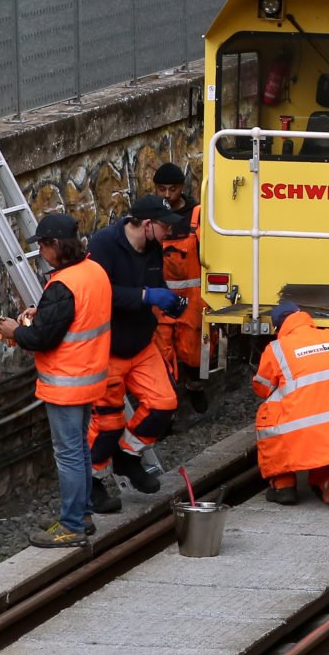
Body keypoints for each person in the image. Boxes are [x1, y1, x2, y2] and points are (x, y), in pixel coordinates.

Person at [0, 212, 112, 548]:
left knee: (69, 453)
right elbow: (72, 317)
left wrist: (14, 330)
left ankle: (72, 524)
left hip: (66, 382)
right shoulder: (93, 271)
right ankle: (83, 512)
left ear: (55, 245)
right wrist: (40, 311)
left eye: (43, 246)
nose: (41, 253)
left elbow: (42, 338)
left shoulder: (64, 284)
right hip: (90, 376)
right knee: (81, 449)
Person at [85, 194, 188, 512]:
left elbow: (155, 287)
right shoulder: (104, 245)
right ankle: (92, 483)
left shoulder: (154, 248)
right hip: (108, 348)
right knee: (108, 424)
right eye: (164, 227)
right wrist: (145, 296)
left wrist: (169, 300)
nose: (168, 234)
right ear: (147, 225)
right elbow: (101, 293)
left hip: (141, 345)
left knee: (164, 403)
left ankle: (127, 458)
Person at [252, 301, 329, 512]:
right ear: (303, 316)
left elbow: (262, 388)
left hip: (302, 429)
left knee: (267, 413)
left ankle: (284, 486)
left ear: (278, 327)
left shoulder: (277, 349)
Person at [150, 162, 207, 413]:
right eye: (161, 189)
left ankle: (195, 387)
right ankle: (166, 405)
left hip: (192, 295)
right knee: (161, 349)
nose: (166, 195)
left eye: (171, 189)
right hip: (161, 296)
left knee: (192, 348)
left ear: (182, 188)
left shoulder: (198, 214)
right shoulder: (150, 217)